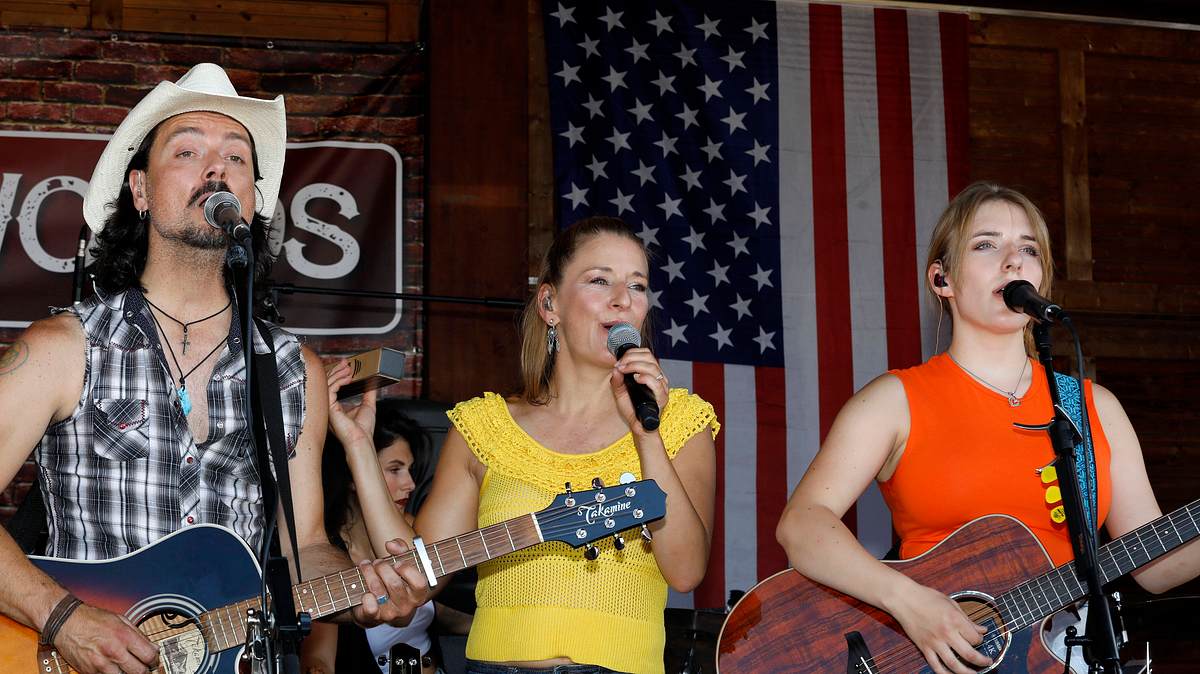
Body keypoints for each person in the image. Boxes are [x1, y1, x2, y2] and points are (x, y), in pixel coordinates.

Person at [0, 63, 427, 674]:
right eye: (188, 150)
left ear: (251, 201)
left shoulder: (288, 369)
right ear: (141, 192)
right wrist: (62, 617)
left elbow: (305, 546)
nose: (216, 168)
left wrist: (364, 593)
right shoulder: (64, 349)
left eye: (236, 157)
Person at [775, 181, 1200, 674]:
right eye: (986, 245)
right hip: (919, 655)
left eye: (1028, 249)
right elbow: (802, 524)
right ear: (942, 279)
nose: (1013, 261)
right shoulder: (895, 400)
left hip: (1064, 655)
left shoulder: (1093, 407)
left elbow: (1153, 563)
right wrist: (909, 601)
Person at [409, 216, 719, 674]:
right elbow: (421, 572)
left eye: (637, 286)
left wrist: (646, 435)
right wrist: (358, 450)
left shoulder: (679, 421)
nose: (622, 300)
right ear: (550, 302)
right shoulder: (484, 425)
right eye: (600, 280)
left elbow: (687, 571)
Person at [301, 365, 445, 674]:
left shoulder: (413, 527)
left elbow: (436, 601)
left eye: (410, 469)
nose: (410, 484)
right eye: (394, 469)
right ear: (355, 474)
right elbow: (318, 661)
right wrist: (357, 441)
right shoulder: (324, 555)